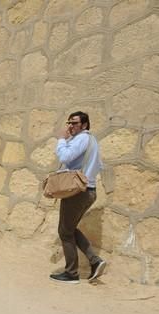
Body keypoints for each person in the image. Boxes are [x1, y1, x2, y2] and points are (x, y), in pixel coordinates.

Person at [50, 111, 106, 284]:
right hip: (88, 191)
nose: (70, 126)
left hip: (78, 192)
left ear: (84, 125)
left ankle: (71, 273)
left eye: (74, 123)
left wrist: (61, 140)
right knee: (70, 228)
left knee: (64, 231)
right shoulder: (92, 141)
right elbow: (99, 166)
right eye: (69, 122)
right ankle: (95, 261)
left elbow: (65, 156)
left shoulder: (82, 139)